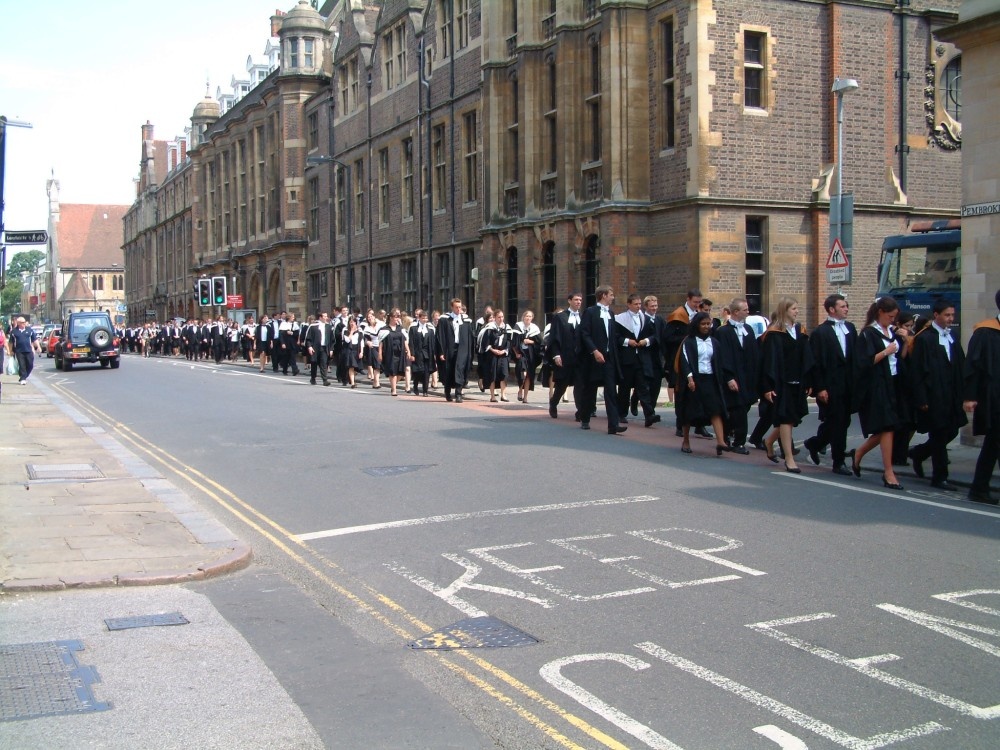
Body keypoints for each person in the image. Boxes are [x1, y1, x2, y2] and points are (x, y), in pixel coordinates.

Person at [907, 299, 966, 490]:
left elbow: (959, 366)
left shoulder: (952, 337)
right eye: (947, 315)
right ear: (936, 315)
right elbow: (918, 371)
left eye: (952, 315)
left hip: (951, 394)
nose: (950, 319)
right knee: (939, 434)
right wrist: (921, 398)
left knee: (952, 429)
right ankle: (939, 477)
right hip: (934, 395)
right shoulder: (925, 338)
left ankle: (920, 453)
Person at [851, 297, 906, 489]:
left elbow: (900, 358)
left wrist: (906, 341)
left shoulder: (891, 332)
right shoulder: (868, 334)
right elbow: (863, 363)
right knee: (887, 427)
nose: (892, 320)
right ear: (880, 312)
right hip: (876, 385)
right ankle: (888, 471)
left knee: (888, 427)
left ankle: (859, 453)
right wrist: (886, 351)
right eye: (890, 316)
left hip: (893, 383)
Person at [803, 294, 857, 475]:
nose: (846, 309)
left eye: (846, 306)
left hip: (847, 384)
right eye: (842, 306)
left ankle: (815, 443)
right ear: (832, 309)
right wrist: (820, 388)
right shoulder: (820, 332)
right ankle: (838, 462)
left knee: (842, 421)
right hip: (830, 385)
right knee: (838, 422)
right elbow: (816, 363)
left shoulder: (850, 328)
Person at [759, 297, 814, 474]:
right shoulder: (774, 333)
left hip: (797, 381)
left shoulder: (800, 332)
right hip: (781, 382)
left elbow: (806, 357)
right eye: (793, 309)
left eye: (797, 309)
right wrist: (768, 386)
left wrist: (808, 380)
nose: (796, 312)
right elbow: (769, 361)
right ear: (784, 311)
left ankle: (769, 441)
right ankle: (789, 459)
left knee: (793, 417)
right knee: (786, 418)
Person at [962, 289, 1000, 505]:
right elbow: (972, 367)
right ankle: (978, 488)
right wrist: (969, 397)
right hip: (993, 398)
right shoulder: (985, 332)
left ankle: (979, 488)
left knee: (994, 445)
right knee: (994, 443)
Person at [675, 312, 731, 456]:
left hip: (711, 379)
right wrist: (690, 378)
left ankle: (720, 441)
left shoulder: (714, 342)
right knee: (689, 411)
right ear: (697, 325)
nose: (706, 327)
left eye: (708, 324)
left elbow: (720, 362)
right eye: (703, 324)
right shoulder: (689, 341)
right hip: (694, 380)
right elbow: (685, 361)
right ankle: (686, 440)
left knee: (716, 409)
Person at [715, 297, 760, 454]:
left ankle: (727, 434)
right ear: (735, 312)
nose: (748, 312)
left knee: (744, 406)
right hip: (732, 377)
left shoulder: (748, 329)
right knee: (737, 409)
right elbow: (723, 357)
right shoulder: (723, 332)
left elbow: (754, 354)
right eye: (745, 310)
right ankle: (738, 442)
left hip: (747, 377)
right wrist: (728, 378)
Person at [579, 285, 626, 434]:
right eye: (611, 295)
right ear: (604, 295)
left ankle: (613, 425)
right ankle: (585, 418)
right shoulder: (590, 312)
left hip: (609, 358)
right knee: (590, 390)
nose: (613, 297)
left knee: (611, 390)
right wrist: (594, 350)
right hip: (593, 359)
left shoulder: (611, 314)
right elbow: (584, 333)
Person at [614, 293, 658, 427]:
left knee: (643, 387)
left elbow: (654, 336)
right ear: (628, 304)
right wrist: (628, 341)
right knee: (625, 387)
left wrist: (646, 341)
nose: (638, 307)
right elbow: (616, 337)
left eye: (639, 304)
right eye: (636, 304)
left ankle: (649, 415)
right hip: (627, 358)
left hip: (641, 357)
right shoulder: (620, 319)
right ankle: (621, 413)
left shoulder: (645, 318)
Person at [664, 290, 702, 426]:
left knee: (698, 392)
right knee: (681, 392)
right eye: (695, 302)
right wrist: (686, 339)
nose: (697, 305)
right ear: (688, 300)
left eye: (699, 302)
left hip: (697, 358)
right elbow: (667, 338)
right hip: (679, 358)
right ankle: (680, 424)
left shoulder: (699, 316)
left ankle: (699, 425)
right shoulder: (677, 315)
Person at [547, 292, 584, 419]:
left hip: (579, 358)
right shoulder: (560, 317)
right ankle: (554, 403)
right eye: (576, 299)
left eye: (580, 300)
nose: (578, 302)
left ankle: (580, 412)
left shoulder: (583, 317)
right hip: (564, 356)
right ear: (569, 301)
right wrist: (556, 355)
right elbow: (554, 337)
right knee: (562, 385)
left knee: (580, 385)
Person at [436, 297, 475, 402]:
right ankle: (447, 393)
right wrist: (441, 352)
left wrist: (469, 352)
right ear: (452, 307)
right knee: (449, 370)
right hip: (449, 348)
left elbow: (470, 337)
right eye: (456, 307)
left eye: (460, 307)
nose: (459, 309)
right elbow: (439, 337)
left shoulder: (466, 320)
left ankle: (458, 394)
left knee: (460, 370)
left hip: (462, 348)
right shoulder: (444, 320)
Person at [482, 309, 512, 402]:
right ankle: (492, 396)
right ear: (494, 318)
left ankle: (503, 395)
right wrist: (493, 350)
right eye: (499, 317)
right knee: (492, 375)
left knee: (504, 374)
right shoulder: (490, 328)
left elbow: (509, 342)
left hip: (503, 354)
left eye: (502, 317)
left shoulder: (507, 328)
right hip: (492, 354)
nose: (501, 319)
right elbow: (485, 342)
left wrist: (504, 350)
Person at [380, 309, 411, 396]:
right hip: (389, 352)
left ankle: (393, 385)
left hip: (400, 352)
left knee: (401, 372)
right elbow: (381, 342)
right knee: (392, 371)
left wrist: (408, 351)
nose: (396, 319)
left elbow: (405, 341)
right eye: (395, 317)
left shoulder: (401, 329)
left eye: (398, 317)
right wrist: (379, 353)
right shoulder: (384, 329)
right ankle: (394, 390)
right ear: (390, 318)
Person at [513, 310, 542, 403]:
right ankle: (520, 390)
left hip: (531, 354)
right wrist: (516, 353)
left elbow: (540, 342)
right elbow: (513, 342)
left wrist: (530, 341)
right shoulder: (518, 326)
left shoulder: (534, 328)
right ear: (523, 317)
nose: (528, 318)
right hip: (521, 353)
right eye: (526, 316)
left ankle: (525, 397)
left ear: (532, 318)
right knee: (523, 373)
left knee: (529, 375)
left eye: (530, 316)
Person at [408, 310, 437, 396]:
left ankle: (425, 390)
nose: (425, 319)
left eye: (426, 318)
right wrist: (412, 354)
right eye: (423, 318)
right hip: (417, 353)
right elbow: (411, 342)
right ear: (419, 318)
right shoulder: (413, 329)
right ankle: (415, 386)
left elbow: (432, 343)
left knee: (426, 373)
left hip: (427, 354)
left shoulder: (430, 330)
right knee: (418, 371)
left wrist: (434, 354)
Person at [8, 317, 40, 385]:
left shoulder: (29, 330)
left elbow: (34, 339)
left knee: (30, 365)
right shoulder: (14, 331)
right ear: (18, 323)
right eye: (23, 322)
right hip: (19, 351)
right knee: (22, 365)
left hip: (29, 350)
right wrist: (10, 351)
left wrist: (38, 347)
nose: (24, 323)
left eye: (25, 322)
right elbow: (10, 342)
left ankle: (23, 376)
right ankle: (23, 378)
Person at [306, 312, 333, 386]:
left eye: (326, 316)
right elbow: (308, 338)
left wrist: (331, 349)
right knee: (314, 363)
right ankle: (313, 378)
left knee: (324, 364)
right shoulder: (313, 326)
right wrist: (310, 347)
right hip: (315, 348)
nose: (326, 318)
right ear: (320, 317)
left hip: (324, 348)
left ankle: (325, 380)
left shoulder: (328, 327)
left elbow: (332, 339)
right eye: (324, 316)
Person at [342, 315, 363, 387]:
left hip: (356, 349)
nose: (352, 323)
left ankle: (351, 379)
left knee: (355, 367)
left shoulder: (359, 331)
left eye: (354, 322)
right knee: (351, 366)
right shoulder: (345, 330)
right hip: (349, 349)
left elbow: (361, 342)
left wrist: (361, 352)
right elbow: (347, 340)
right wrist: (351, 331)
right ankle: (353, 383)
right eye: (350, 322)